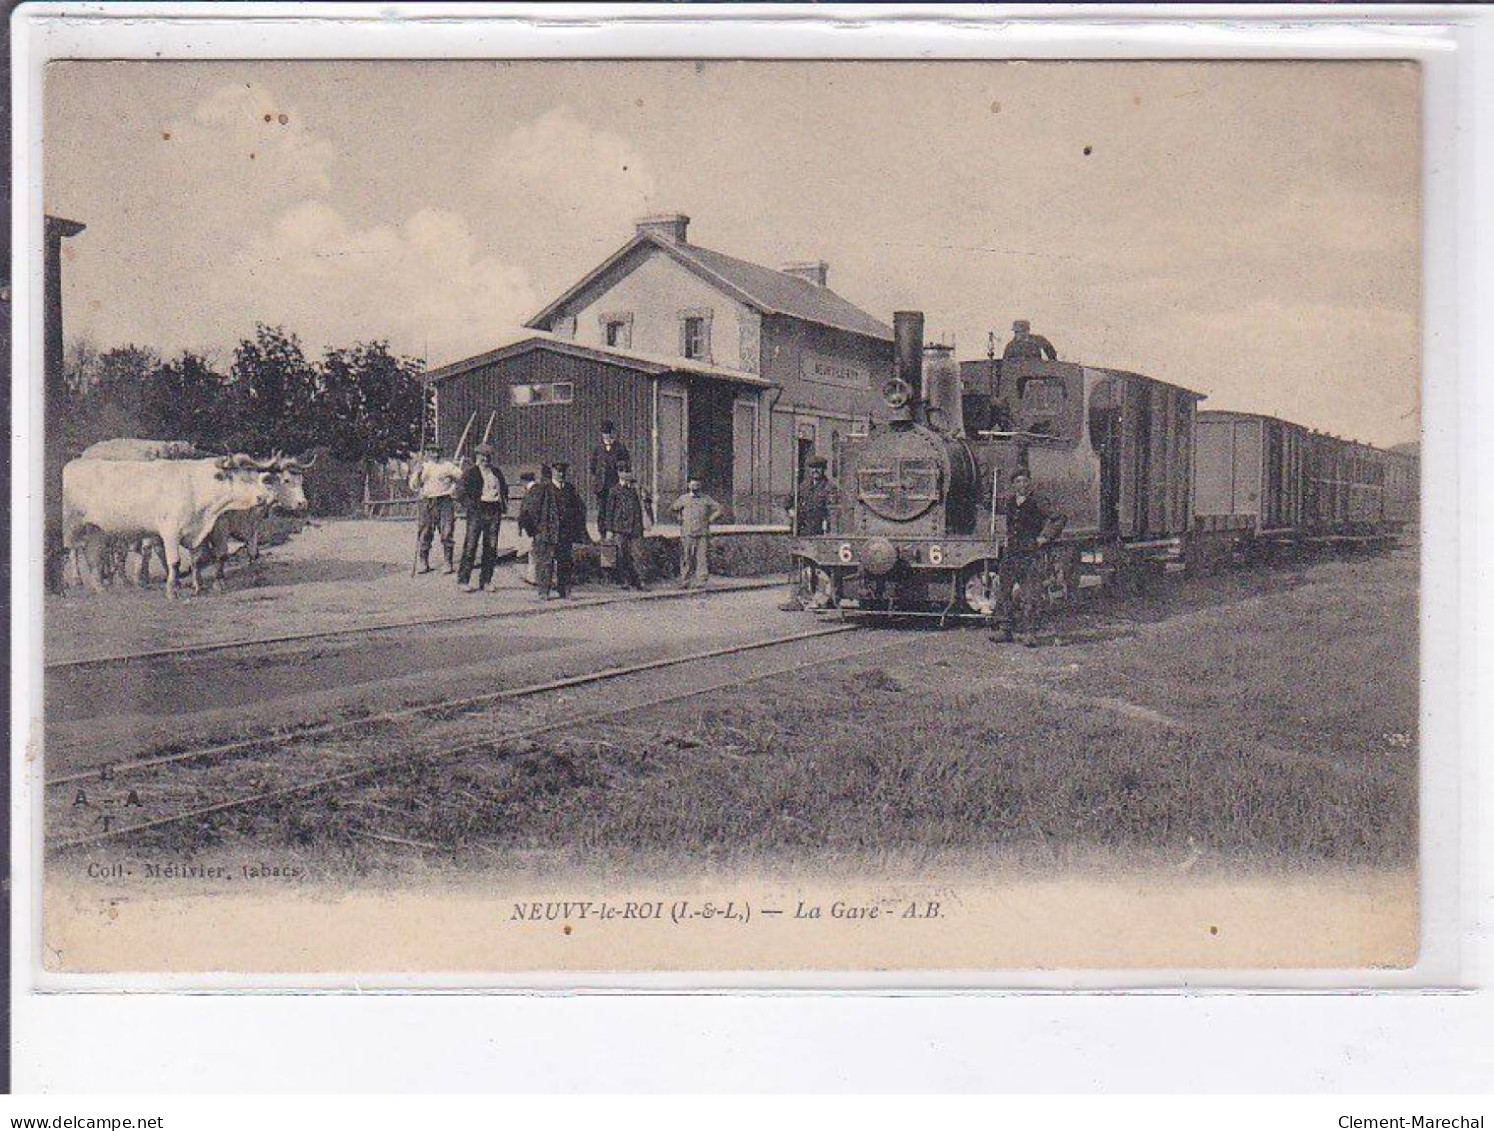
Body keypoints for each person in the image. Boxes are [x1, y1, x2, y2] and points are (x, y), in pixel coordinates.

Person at [994, 468, 1066, 645]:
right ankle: (1006, 630)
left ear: (1029, 483)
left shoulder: (1038, 501)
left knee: (1030, 594)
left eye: (1025, 481)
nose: (1022, 485)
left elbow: (1059, 518)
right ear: (1013, 485)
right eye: (1018, 481)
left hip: (1030, 554)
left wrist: (1045, 537)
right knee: (1005, 592)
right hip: (1011, 553)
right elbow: (991, 506)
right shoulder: (1009, 501)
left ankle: (1029, 633)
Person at [519, 461, 589, 600]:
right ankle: (543, 592)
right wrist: (534, 531)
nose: (561, 474)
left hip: (564, 533)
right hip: (546, 533)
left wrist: (576, 530)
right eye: (558, 471)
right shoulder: (543, 488)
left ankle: (565, 591)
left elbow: (580, 510)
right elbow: (530, 511)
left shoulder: (570, 490)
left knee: (565, 562)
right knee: (545, 562)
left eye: (563, 472)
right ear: (553, 472)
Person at [456, 444, 509, 593]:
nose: (485, 459)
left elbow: (504, 489)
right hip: (477, 511)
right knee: (471, 545)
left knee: (491, 547)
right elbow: (459, 492)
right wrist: (471, 505)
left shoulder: (496, 472)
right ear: (477, 457)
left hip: (493, 510)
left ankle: (486, 580)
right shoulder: (471, 473)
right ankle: (463, 579)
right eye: (482, 456)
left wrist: (502, 503)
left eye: (487, 456)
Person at [408, 444, 461, 574]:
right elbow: (414, 486)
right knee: (425, 532)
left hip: (444, 501)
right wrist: (418, 472)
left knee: (447, 532)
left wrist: (453, 487)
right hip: (427, 501)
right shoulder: (423, 466)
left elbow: (461, 477)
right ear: (427, 453)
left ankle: (448, 562)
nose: (435, 454)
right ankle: (423, 562)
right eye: (432, 451)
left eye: (437, 451)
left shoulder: (447, 465)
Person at [670, 475, 723, 589]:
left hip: (702, 533)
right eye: (693, 485)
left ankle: (701, 581)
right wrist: (680, 518)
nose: (695, 487)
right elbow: (673, 509)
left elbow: (719, 509)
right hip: (687, 533)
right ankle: (685, 581)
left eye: (697, 485)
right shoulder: (683, 499)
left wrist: (710, 519)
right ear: (688, 485)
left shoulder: (706, 499)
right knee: (686, 557)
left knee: (702, 558)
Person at [603, 466, 648, 590]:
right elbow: (609, 511)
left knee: (638, 555)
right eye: (623, 471)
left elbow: (641, 508)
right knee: (622, 555)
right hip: (620, 528)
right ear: (619, 473)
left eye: (628, 471)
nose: (627, 474)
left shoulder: (635, 490)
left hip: (635, 528)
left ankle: (639, 581)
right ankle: (625, 581)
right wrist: (609, 529)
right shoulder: (614, 490)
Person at [590, 421, 631, 539]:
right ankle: (602, 535)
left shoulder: (620, 448)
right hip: (602, 487)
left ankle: (615, 533)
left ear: (613, 433)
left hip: (615, 485)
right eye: (604, 433)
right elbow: (593, 467)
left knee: (615, 509)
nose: (606, 436)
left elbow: (626, 466)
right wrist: (599, 479)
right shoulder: (597, 449)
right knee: (602, 511)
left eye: (608, 433)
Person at [790, 455, 837, 536]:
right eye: (812, 467)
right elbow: (789, 500)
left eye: (818, 468)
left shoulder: (829, 487)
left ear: (824, 469)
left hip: (818, 530)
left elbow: (831, 511)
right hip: (801, 529)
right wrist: (792, 512)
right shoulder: (803, 486)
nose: (815, 470)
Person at [514, 471, 539, 585]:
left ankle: (533, 577)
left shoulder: (532, 492)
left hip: (531, 527)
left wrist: (526, 528)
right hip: (532, 527)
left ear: (525, 481)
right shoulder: (534, 490)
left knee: (532, 552)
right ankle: (532, 576)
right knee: (532, 553)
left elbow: (528, 511)